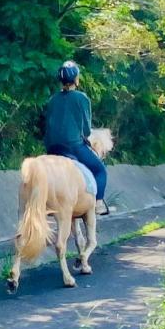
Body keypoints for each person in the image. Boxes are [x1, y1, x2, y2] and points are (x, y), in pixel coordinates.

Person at [44, 60, 109, 215]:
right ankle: (98, 203)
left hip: (52, 148)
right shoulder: (81, 98)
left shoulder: (52, 99)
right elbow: (86, 130)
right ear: (76, 79)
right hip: (72, 146)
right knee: (100, 170)